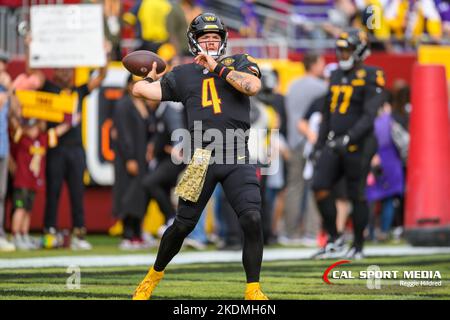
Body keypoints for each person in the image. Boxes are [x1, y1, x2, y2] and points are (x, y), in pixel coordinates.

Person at [131, 13, 268, 300]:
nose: (210, 42)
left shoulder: (238, 62)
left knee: (253, 218)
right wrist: (149, 76)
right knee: (181, 225)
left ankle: (253, 289)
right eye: (205, 38)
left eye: (215, 38)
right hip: (201, 158)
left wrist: (217, 67)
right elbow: (140, 90)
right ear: (194, 42)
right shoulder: (182, 73)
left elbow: (252, 86)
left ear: (224, 41)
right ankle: (152, 276)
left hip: (236, 154)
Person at [311, 28, 385, 259]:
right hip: (335, 143)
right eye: (340, 50)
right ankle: (334, 238)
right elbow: (327, 112)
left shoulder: (373, 75)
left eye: (347, 50)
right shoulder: (334, 75)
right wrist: (319, 144)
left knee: (356, 194)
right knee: (320, 186)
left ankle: (359, 245)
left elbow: (369, 114)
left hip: (360, 144)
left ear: (360, 52)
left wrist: (350, 137)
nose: (342, 55)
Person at [30, 66, 107, 250]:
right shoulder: (49, 88)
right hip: (56, 149)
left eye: (68, 71)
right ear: (55, 72)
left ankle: (79, 234)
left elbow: (101, 77)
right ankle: (49, 232)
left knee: (77, 193)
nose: (65, 74)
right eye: (62, 71)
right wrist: (30, 48)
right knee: (53, 193)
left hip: (76, 150)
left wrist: (104, 53)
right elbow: (33, 72)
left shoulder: (78, 91)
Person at [282, 51, 326, 244]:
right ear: (314, 64)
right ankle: (310, 232)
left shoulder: (292, 85)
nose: (323, 66)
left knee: (293, 187)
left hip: (293, 140)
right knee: (313, 186)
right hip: (311, 140)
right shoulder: (321, 87)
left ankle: (290, 233)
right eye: (322, 62)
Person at [10, 119, 71, 250]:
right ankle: (15, 235)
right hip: (22, 181)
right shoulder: (22, 138)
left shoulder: (42, 139)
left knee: (28, 210)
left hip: (33, 182)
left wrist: (69, 122)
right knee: (19, 209)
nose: (32, 130)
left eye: (34, 127)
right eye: (29, 127)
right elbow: (14, 126)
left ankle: (24, 234)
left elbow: (55, 132)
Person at [113, 74, 154, 250]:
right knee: (127, 194)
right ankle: (127, 234)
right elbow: (123, 134)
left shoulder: (143, 104)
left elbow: (150, 129)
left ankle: (137, 233)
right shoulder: (123, 104)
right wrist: (129, 157)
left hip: (142, 157)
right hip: (128, 158)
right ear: (129, 85)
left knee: (140, 195)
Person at [0, 52, 15, 252]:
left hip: (3, 146)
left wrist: (11, 90)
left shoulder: (6, 89)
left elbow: (14, 114)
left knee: (1, 193)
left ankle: (1, 233)